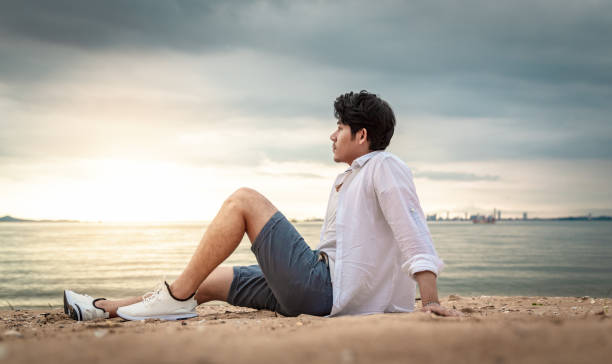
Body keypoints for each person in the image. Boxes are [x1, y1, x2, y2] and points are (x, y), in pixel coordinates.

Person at [63, 90, 460, 321]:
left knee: (244, 200)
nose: (331, 134)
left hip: (325, 292)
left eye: (339, 127)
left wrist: (430, 303)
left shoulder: (384, 166)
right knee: (209, 279)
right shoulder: (350, 177)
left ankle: (173, 301)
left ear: (362, 134)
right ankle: (105, 309)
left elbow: (412, 229)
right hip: (319, 285)